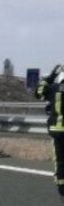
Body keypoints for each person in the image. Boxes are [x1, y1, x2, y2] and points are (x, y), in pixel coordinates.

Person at [35, 64, 64, 196]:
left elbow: (39, 92)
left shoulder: (53, 89)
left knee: (60, 159)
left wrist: (51, 76)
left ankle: (62, 187)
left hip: (57, 130)